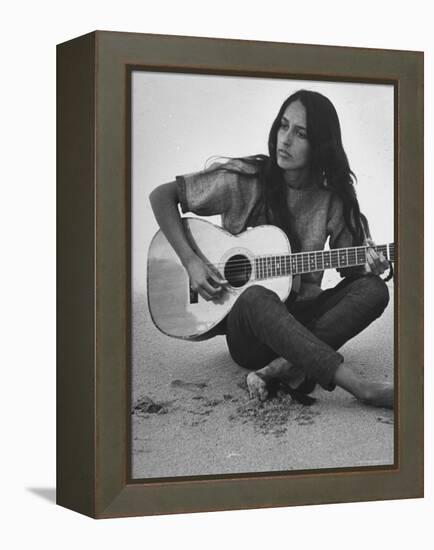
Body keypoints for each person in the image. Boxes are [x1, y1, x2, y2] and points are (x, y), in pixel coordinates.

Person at [149, 89, 393, 409]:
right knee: (256, 295)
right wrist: (192, 261)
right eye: (283, 125)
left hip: (304, 324)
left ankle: (277, 370)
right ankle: (361, 388)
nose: (286, 139)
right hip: (250, 336)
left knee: (374, 290)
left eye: (300, 132)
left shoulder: (333, 199)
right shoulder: (246, 179)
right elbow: (161, 196)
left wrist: (371, 265)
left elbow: (352, 272)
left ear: (320, 144)